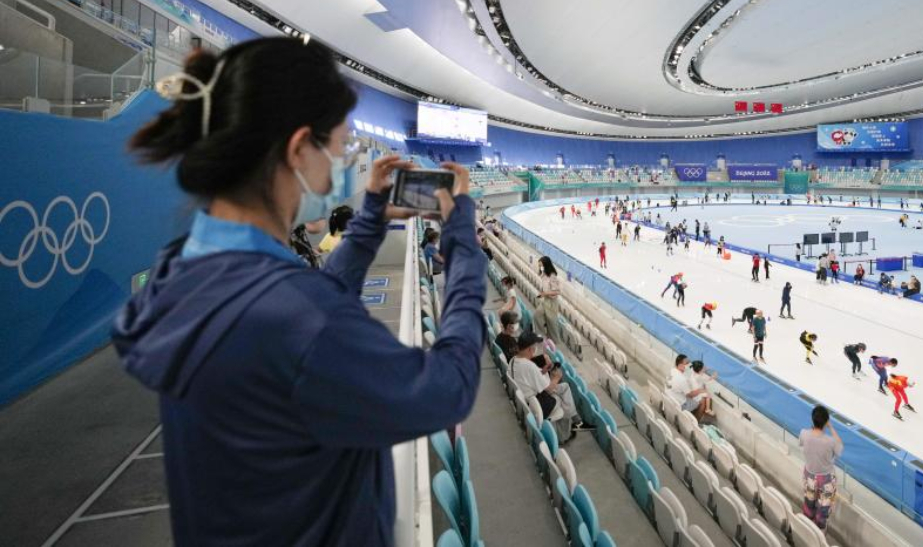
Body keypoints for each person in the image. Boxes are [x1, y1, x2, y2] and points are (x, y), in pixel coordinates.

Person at [112, 38, 487, 546]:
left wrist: (372, 219)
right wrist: (462, 238)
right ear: (297, 150)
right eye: (339, 149)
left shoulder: (184, 270)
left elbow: (305, 317)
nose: (337, 168)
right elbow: (449, 388)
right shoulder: (295, 319)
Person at [510, 332, 588, 442]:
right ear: (530, 349)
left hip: (528, 398)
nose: (536, 349)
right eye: (535, 347)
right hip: (537, 404)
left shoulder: (513, 360)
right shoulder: (529, 366)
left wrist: (543, 371)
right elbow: (549, 388)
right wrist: (556, 377)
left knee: (564, 388)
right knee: (563, 399)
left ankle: (574, 419)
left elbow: (529, 377)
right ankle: (564, 435)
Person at [799, 405, 842, 532]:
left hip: (809, 477)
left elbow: (802, 443)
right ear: (826, 422)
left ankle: (806, 530)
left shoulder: (804, 434)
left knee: (809, 505)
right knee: (823, 513)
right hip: (826, 481)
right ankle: (819, 532)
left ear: (812, 419)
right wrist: (831, 427)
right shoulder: (830, 442)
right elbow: (840, 448)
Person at [669, 355, 712, 423]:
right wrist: (700, 390)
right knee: (702, 401)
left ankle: (691, 417)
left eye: (689, 362)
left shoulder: (672, 370)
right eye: (687, 363)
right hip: (679, 404)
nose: (689, 365)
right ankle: (695, 423)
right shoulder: (681, 379)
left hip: (670, 399)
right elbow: (690, 395)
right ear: (680, 365)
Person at [536, 257, 562, 341]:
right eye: (539, 266)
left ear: (546, 265)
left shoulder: (552, 276)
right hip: (545, 300)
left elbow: (557, 291)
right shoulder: (543, 275)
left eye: (541, 265)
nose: (540, 267)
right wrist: (542, 293)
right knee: (537, 315)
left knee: (552, 324)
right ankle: (542, 335)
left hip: (551, 302)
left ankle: (554, 341)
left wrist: (545, 293)